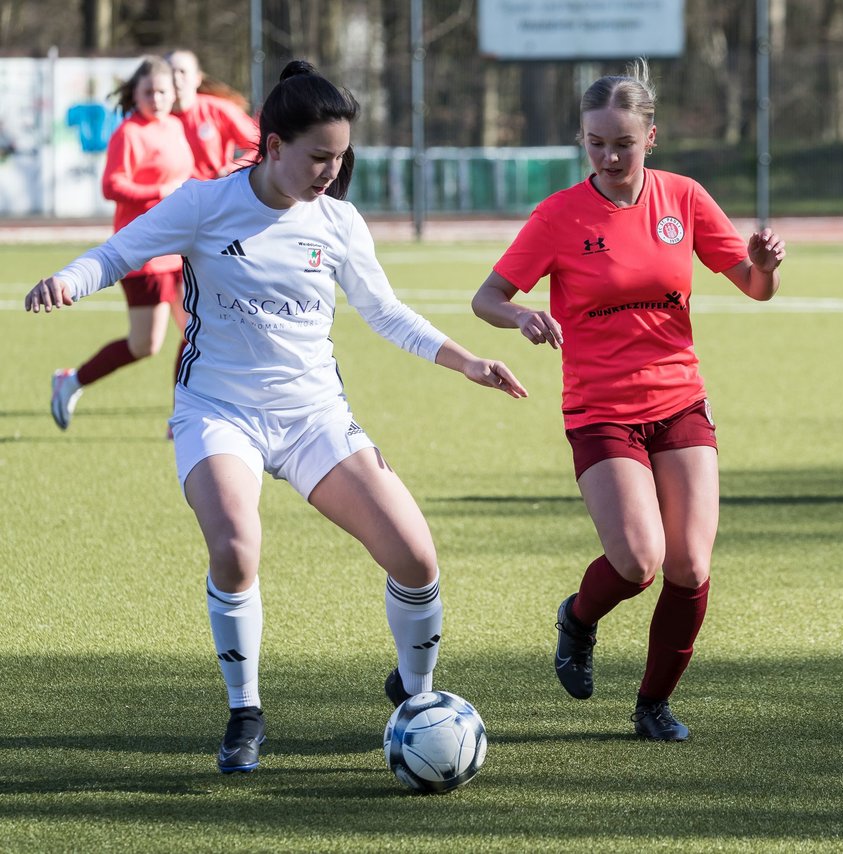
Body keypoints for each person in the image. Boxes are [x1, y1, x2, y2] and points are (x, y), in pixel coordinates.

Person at [26, 60, 528, 774]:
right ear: (272, 146)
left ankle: (416, 699)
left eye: (340, 157)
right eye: (318, 156)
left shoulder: (339, 223)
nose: (331, 170)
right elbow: (120, 252)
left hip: (313, 415)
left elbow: (385, 312)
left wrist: (469, 361)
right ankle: (245, 713)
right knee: (235, 546)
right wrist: (67, 282)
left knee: (416, 559)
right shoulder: (206, 203)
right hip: (218, 411)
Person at [471, 59, 785, 741]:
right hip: (601, 410)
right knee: (638, 562)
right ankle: (578, 618)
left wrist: (762, 264)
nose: (610, 156)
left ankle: (652, 705)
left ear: (652, 136)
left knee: (690, 565)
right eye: (595, 142)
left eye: (623, 142)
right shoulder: (558, 216)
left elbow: (755, 290)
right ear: (583, 140)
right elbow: (486, 297)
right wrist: (521, 317)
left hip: (679, 402)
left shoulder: (685, 199)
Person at [49, 55, 194, 431]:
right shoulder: (128, 133)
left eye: (163, 91)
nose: (157, 98)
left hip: (181, 250)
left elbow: (186, 177)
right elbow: (111, 185)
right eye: (149, 91)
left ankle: (183, 415)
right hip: (143, 252)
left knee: (197, 331)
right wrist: (159, 191)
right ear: (136, 94)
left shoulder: (176, 126)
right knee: (144, 345)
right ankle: (72, 380)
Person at [166, 49, 259, 180]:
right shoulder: (154, 118)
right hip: (172, 196)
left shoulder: (219, 109)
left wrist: (231, 169)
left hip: (214, 191)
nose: (176, 78)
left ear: (197, 78)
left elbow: (260, 145)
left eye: (182, 72)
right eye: (170, 72)